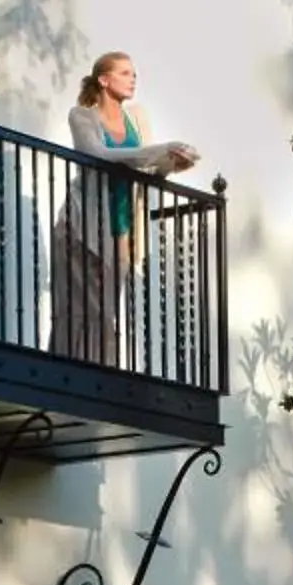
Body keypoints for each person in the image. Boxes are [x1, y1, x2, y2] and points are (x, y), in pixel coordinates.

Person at [50, 51, 199, 364]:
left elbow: (148, 171)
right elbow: (97, 153)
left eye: (134, 74)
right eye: (125, 73)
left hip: (122, 224)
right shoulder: (82, 115)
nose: (133, 79)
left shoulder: (137, 117)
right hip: (82, 222)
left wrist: (171, 163)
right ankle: (74, 370)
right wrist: (157, 151)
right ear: (104, 80)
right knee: (80, 307)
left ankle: (100, 369)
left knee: (105, 308)